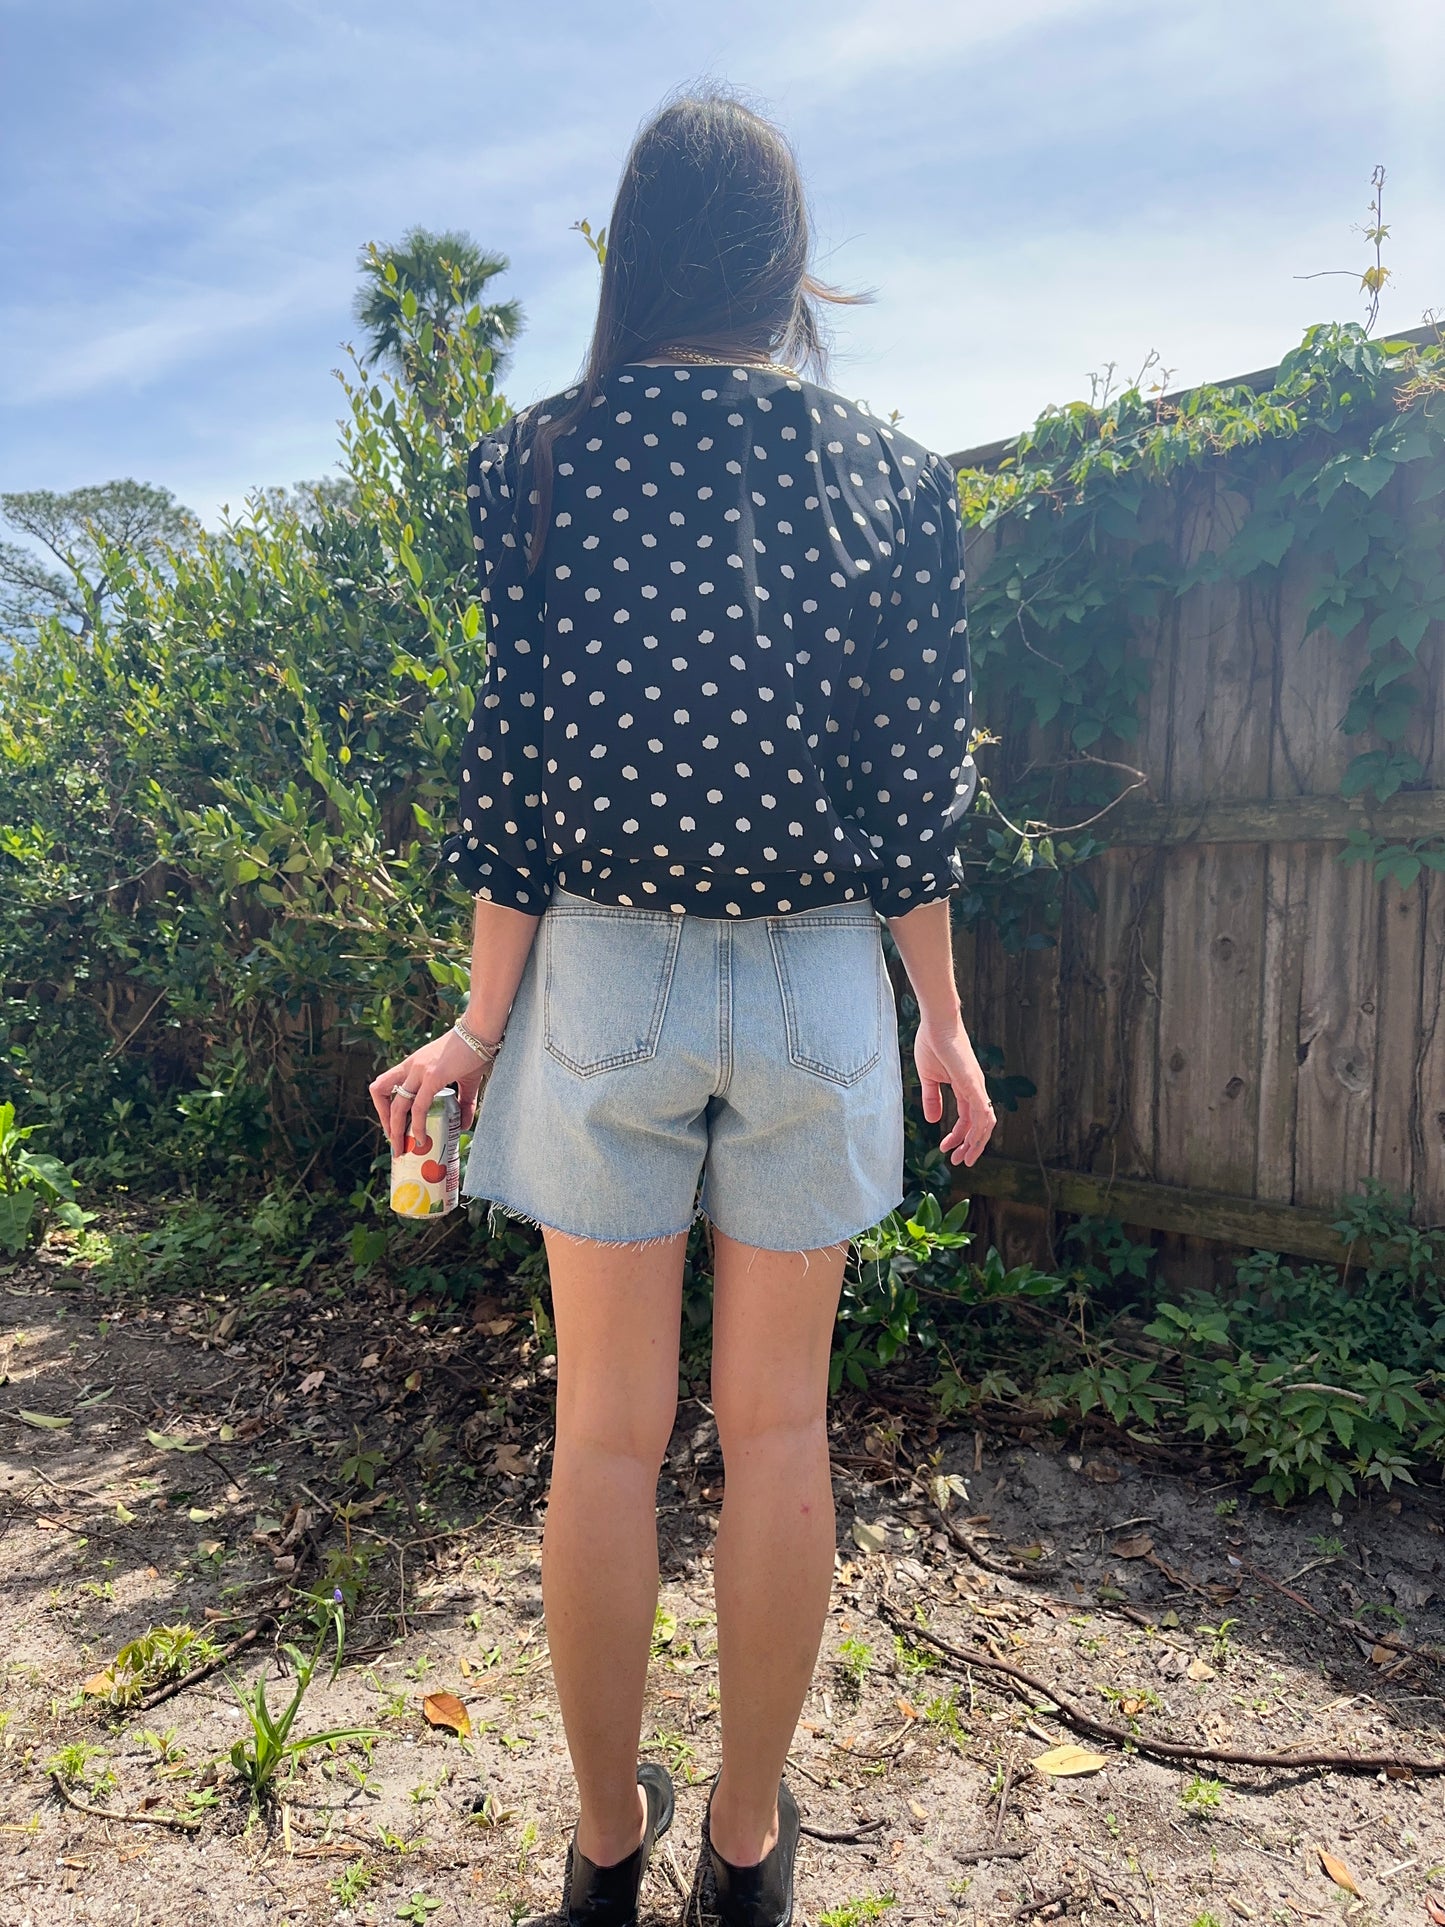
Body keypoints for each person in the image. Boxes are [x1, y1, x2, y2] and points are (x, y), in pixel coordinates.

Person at [370, 86, 995, 1927]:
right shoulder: (889, 475)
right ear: (790, 267)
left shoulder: (539, 465)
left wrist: (479, 1024)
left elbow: (512, 785)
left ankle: (598, 1851)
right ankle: (742, 1850)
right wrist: (937, 1019)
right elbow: (910, 801)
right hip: (815, 974)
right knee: (781, 1432)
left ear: (630, 259)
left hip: (604, 975)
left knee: (606, 1434)